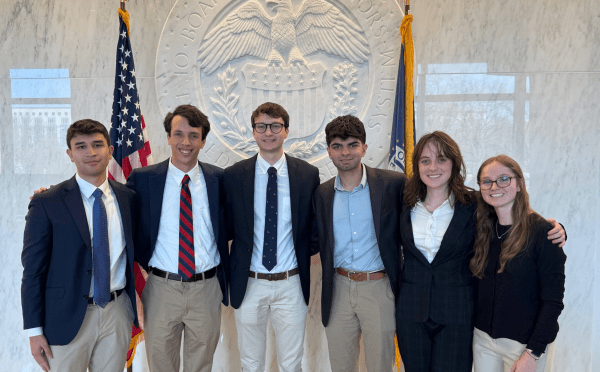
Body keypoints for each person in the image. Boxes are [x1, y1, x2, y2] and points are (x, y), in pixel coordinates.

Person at [395, 132, 566, 372]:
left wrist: (555, 228)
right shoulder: (403, 202)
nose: (433, 167)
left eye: (442, 159)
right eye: (425, 161)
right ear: (417, 166)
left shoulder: (472, 204)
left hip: (456, 314)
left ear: (454, 164)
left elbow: (510, 212)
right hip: (411, 313)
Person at [22, 119, 139, 371]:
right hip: (65, 316)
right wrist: (34, 330)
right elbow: (33, 271)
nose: (91, 153)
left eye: (98, 145)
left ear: (110, 151)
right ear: (70, 154)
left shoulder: (128, 198)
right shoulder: (47, 202)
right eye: (81, 146)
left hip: (117, 311)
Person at [126, 104, 229, 372]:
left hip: (206, 288)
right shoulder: (143, 179)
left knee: (201, 366)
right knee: (161, 365)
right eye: (179, 134)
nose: (186, 142)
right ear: (168, 137)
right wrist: (55, 194)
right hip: (161, 288)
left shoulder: (219, 180)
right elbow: (112, 205)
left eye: (194, 135)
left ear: (204, 140)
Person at [224, 102, 320, 372]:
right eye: (262, 126)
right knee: (250, 364)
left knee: (291, 364)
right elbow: (227, 226)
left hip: (291, 283)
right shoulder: (234, 176)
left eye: (276, 125)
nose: (269, 132)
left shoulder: (306, 174)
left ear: (286, 131)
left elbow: (314, 227)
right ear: (253, 132)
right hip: (250, 281)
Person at [312, 115, 405, 371]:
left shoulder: (392, 184)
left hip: (379, 288)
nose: (345, 152)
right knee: (341, 365)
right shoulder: (322, 194)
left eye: (353, 145)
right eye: (337, 146)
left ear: (364, 148)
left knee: (380, 365)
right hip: (338, 288)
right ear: (329, 151)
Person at [470, 155, 566, 372]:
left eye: (504, 178)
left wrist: (533, 353)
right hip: (483, 340)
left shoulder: (543, 232)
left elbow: (553, 300)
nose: (495, 186)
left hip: (524, 346)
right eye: (487, 181)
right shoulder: (482, 230)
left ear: (520, 184)